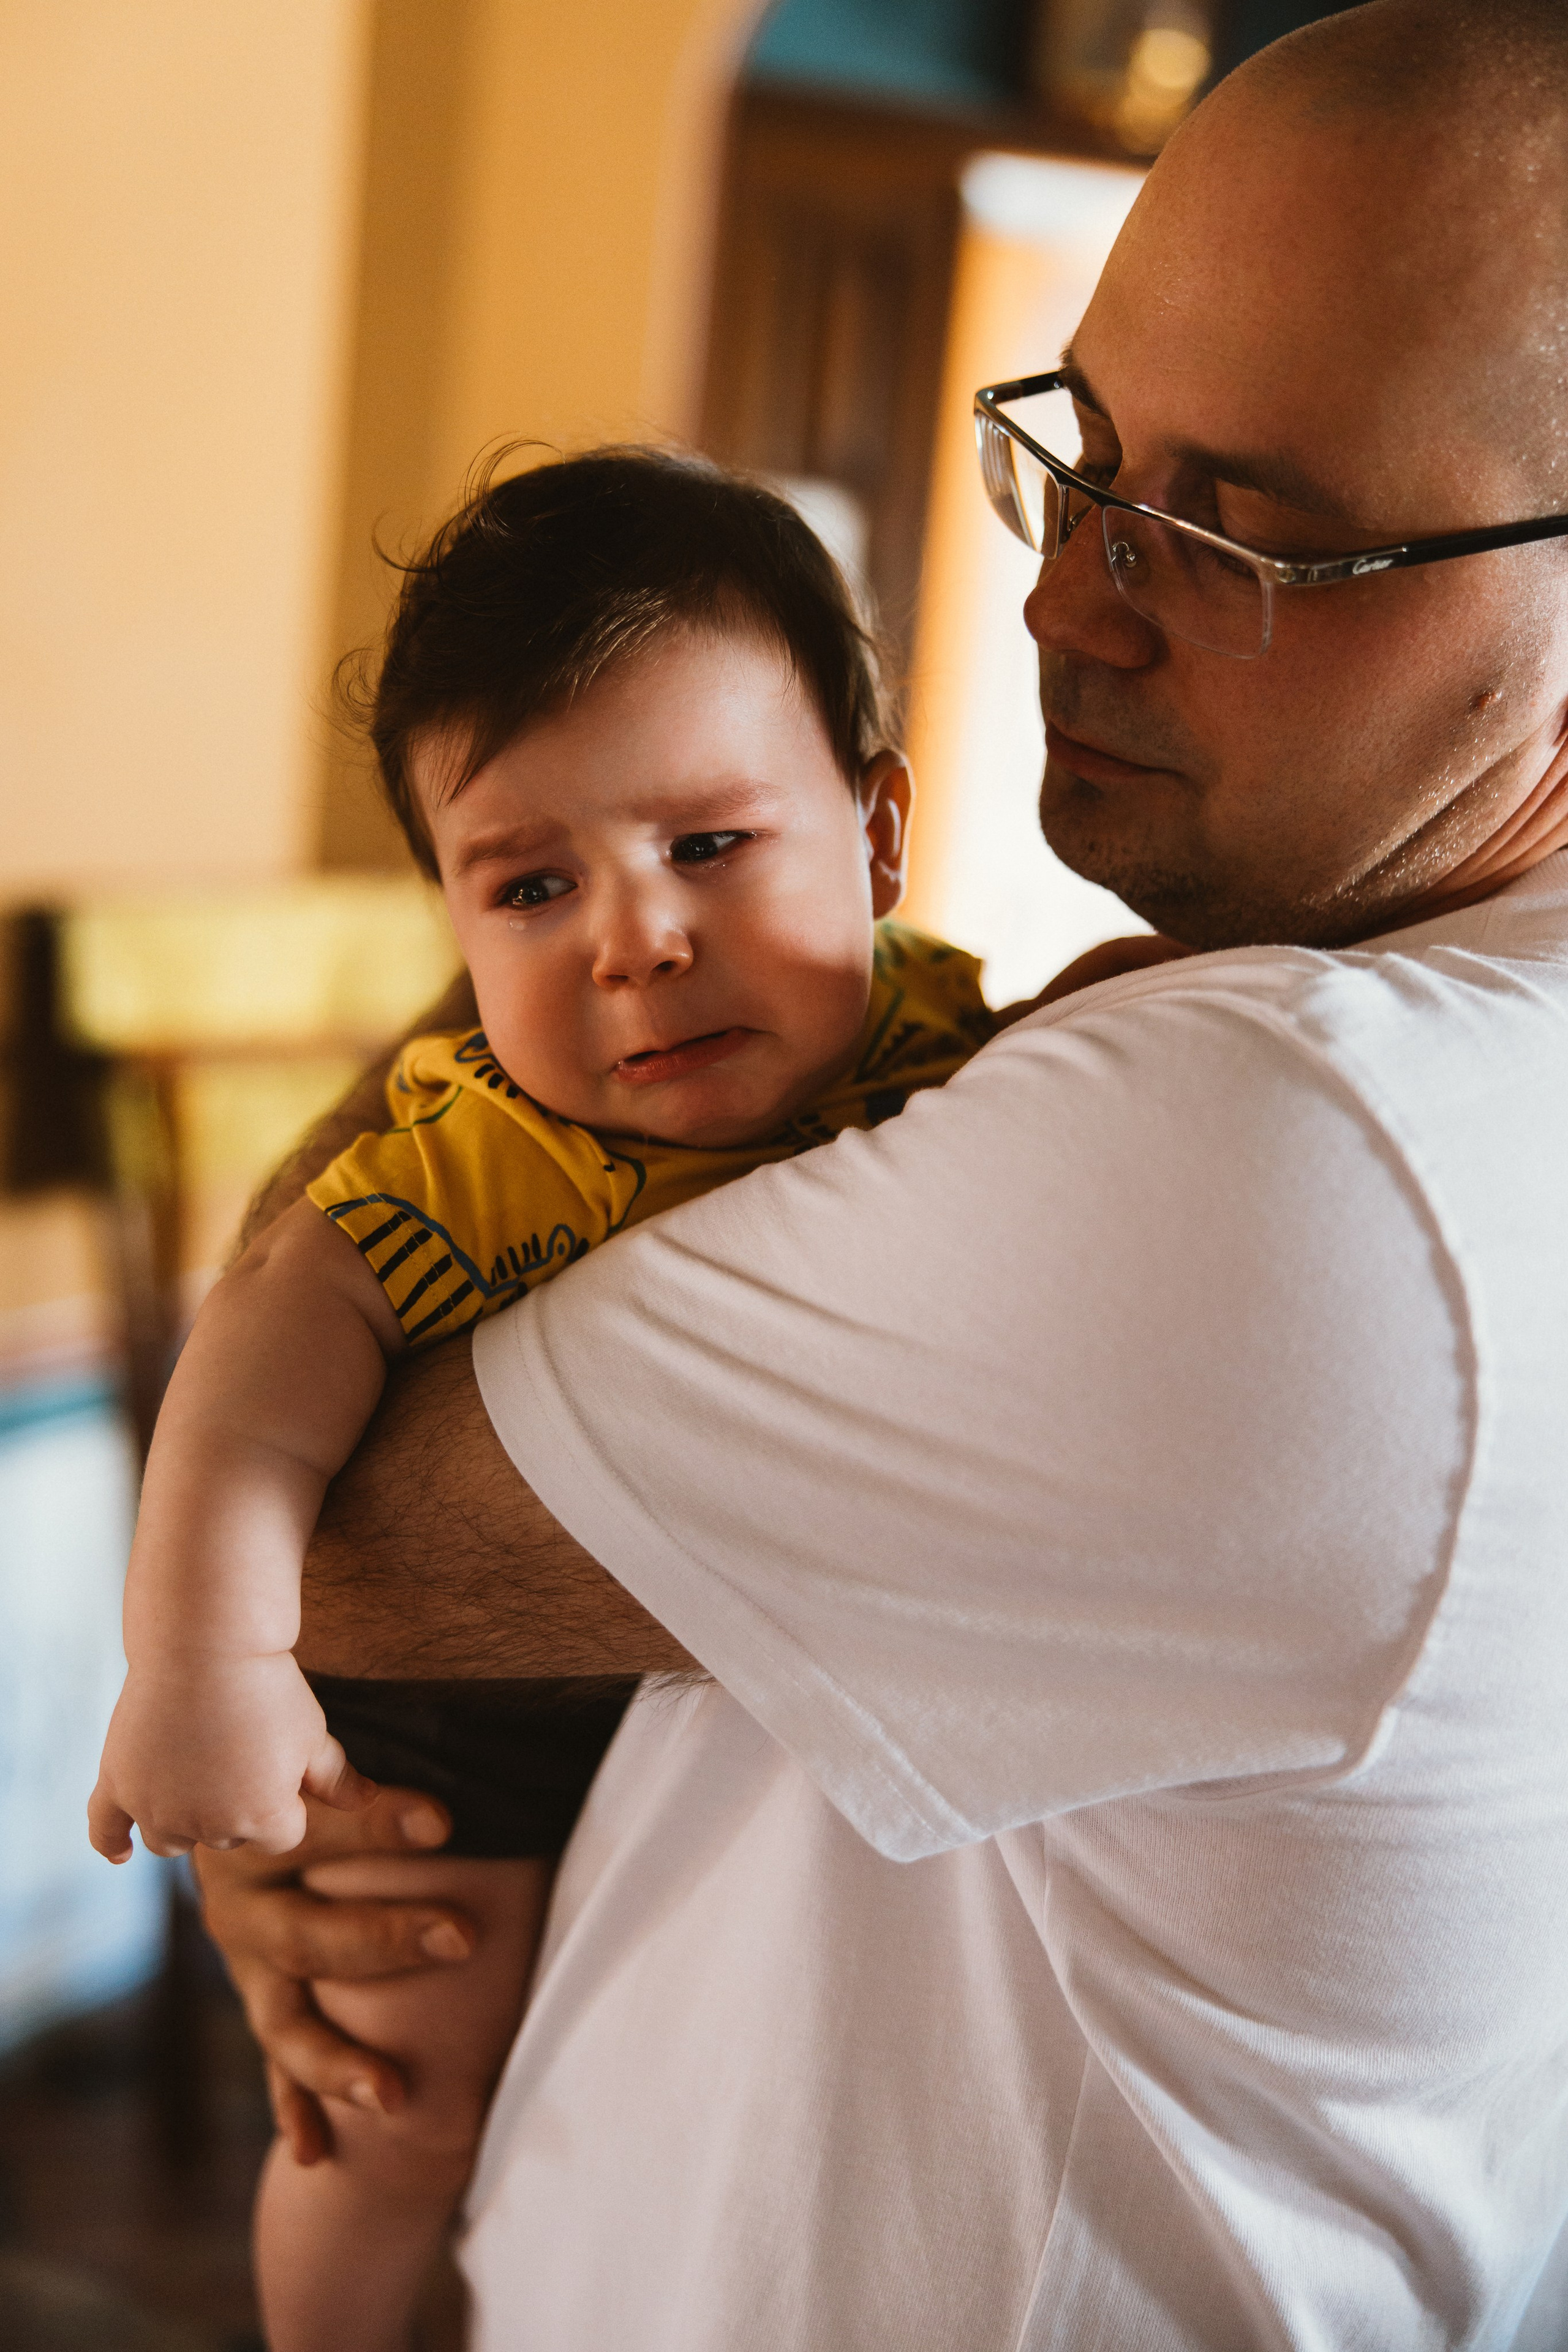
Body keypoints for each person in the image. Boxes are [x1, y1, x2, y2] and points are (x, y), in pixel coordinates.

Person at [198, 1, 1568, 2344]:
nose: (1063, 600)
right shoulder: (1297, 1048)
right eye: (1089, 454)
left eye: (1239, 538)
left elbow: (340, 1547)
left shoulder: (1307, 1149)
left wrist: (261, 1686)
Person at [88, 449, 1115, 2350]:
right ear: (459, 938)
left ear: (879, 840)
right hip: (460, 1734)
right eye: (533, 885)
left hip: (715, 1733)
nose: (633, 938)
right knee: (398, 2102)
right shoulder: (491, 1147)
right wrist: (207, 1661)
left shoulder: (962, 1048)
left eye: (709, 846)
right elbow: (252, 1366)